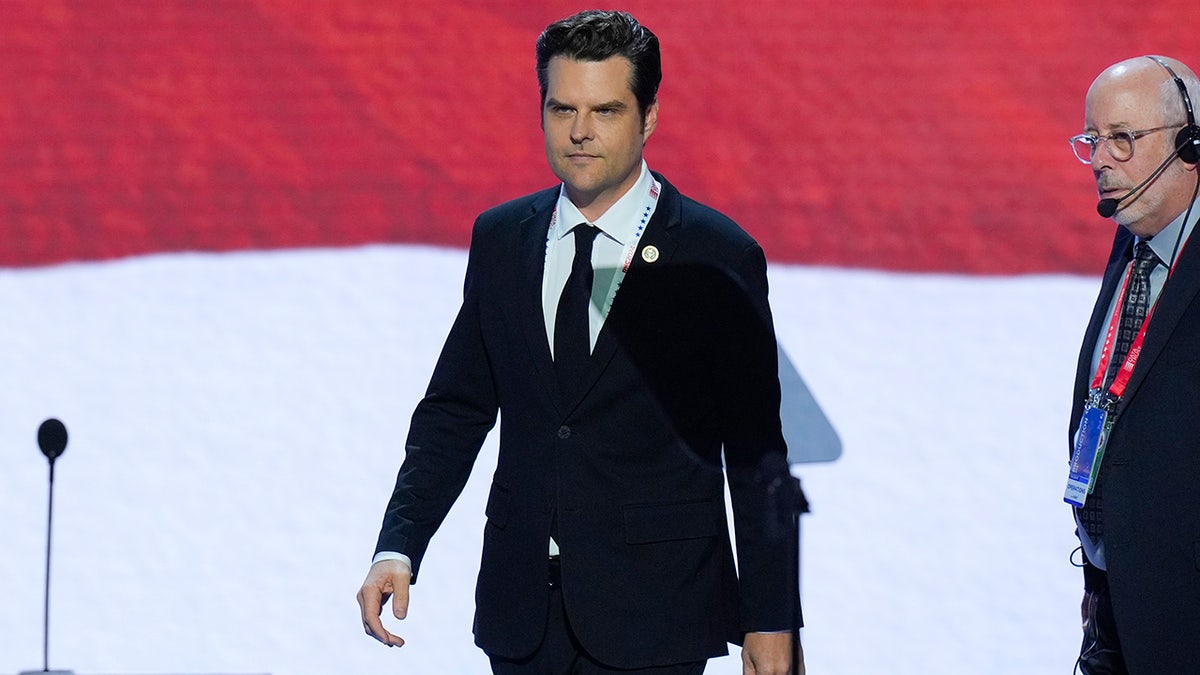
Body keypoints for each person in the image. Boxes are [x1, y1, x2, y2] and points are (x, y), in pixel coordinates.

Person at [355, 10, 805, 675]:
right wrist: (398, 544)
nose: (580, 132)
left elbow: (755, 450)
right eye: (562, 107)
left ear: (648, 117)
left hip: (656, 616)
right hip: (523, 618)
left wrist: (769, 617)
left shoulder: (717, 255)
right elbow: (456, 409)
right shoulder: (503, 239)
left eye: (605, 110)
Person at [1065, 55, 1200, 674]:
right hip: (1118, 612)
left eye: (1123, 139)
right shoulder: (1132, 239)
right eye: (1093, 140)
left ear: (1191, 142)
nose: (1099, 160)